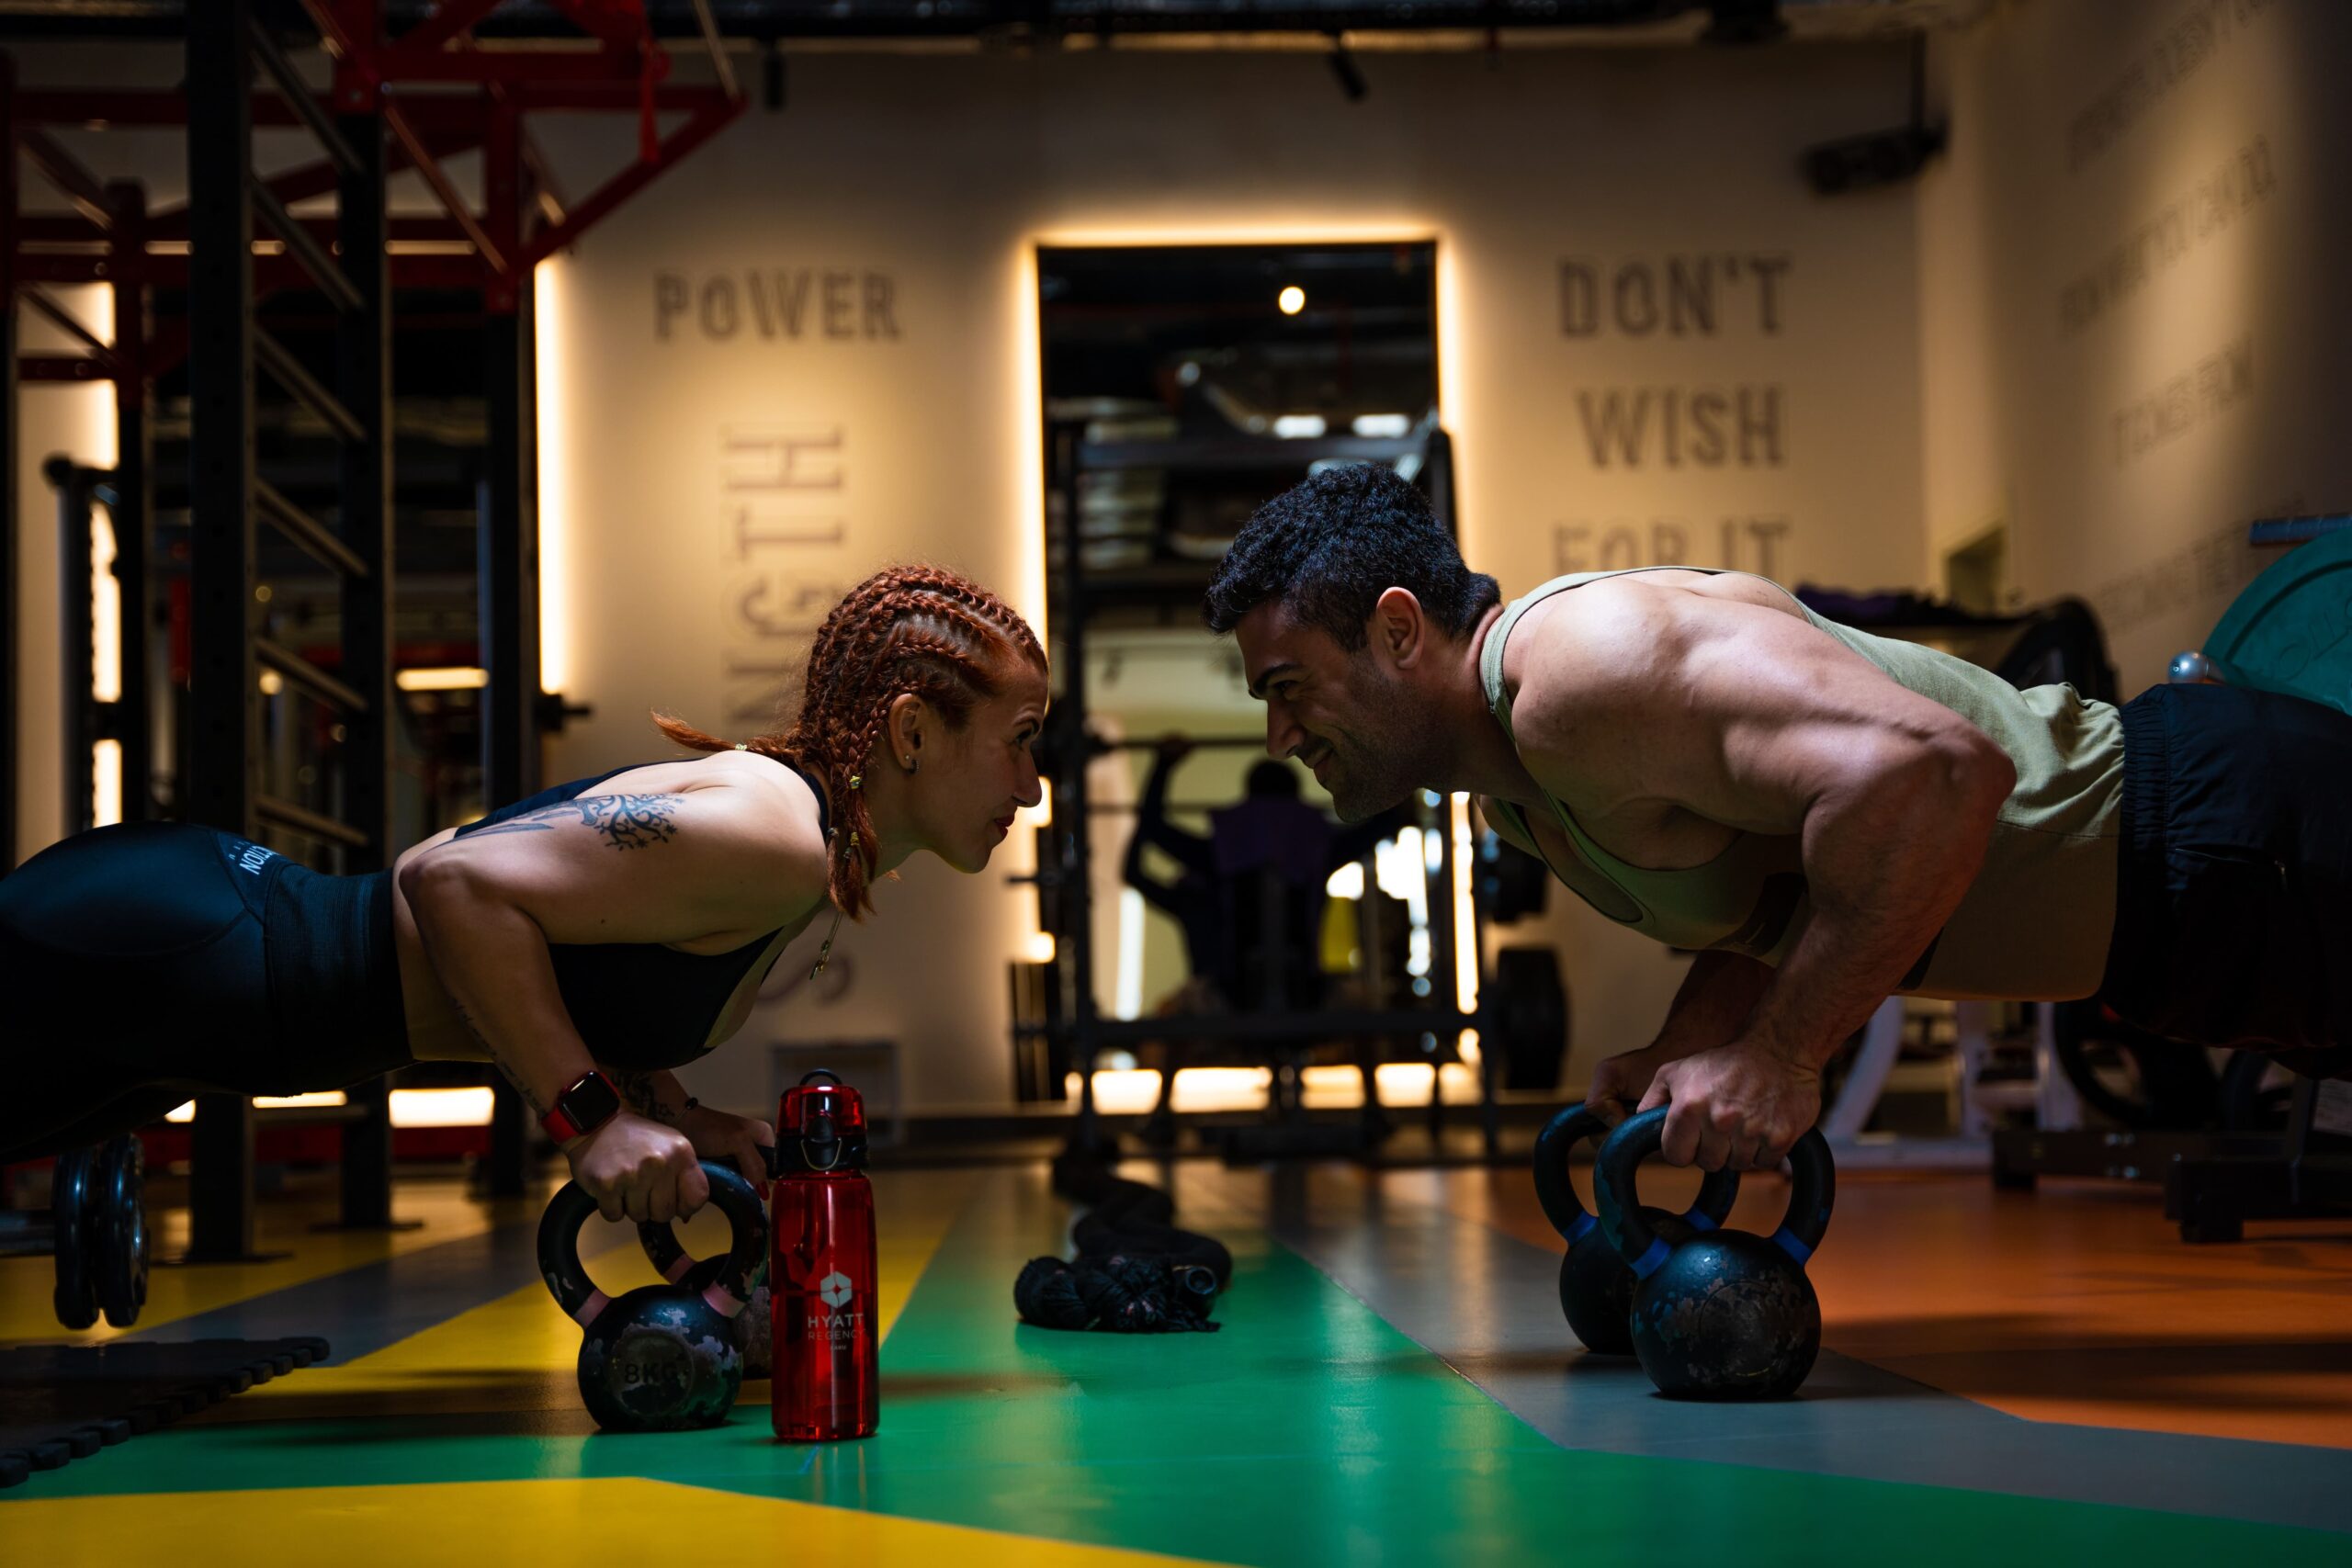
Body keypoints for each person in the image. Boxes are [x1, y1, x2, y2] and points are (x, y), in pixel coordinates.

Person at [1202, 463, 2352, 1172]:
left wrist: (1784, 1055)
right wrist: (1693, 1043)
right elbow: (1795, 889)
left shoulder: (1581, 675)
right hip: (2186, 931)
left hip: (2244, 841)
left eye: (1288, 691)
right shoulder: (1515, 794)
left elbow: (1935, 779)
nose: (1281, 740)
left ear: (1400, 633)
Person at [1, 565, 1046, 1224]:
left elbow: (581, 962)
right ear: (912, 732)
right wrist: (592, 1124)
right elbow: (450, 883)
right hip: (176, 948)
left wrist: (673, 1109)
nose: (1031, 788)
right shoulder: (772, 836)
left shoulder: (789, 835)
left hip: (206, 990)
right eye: (1019, 743)